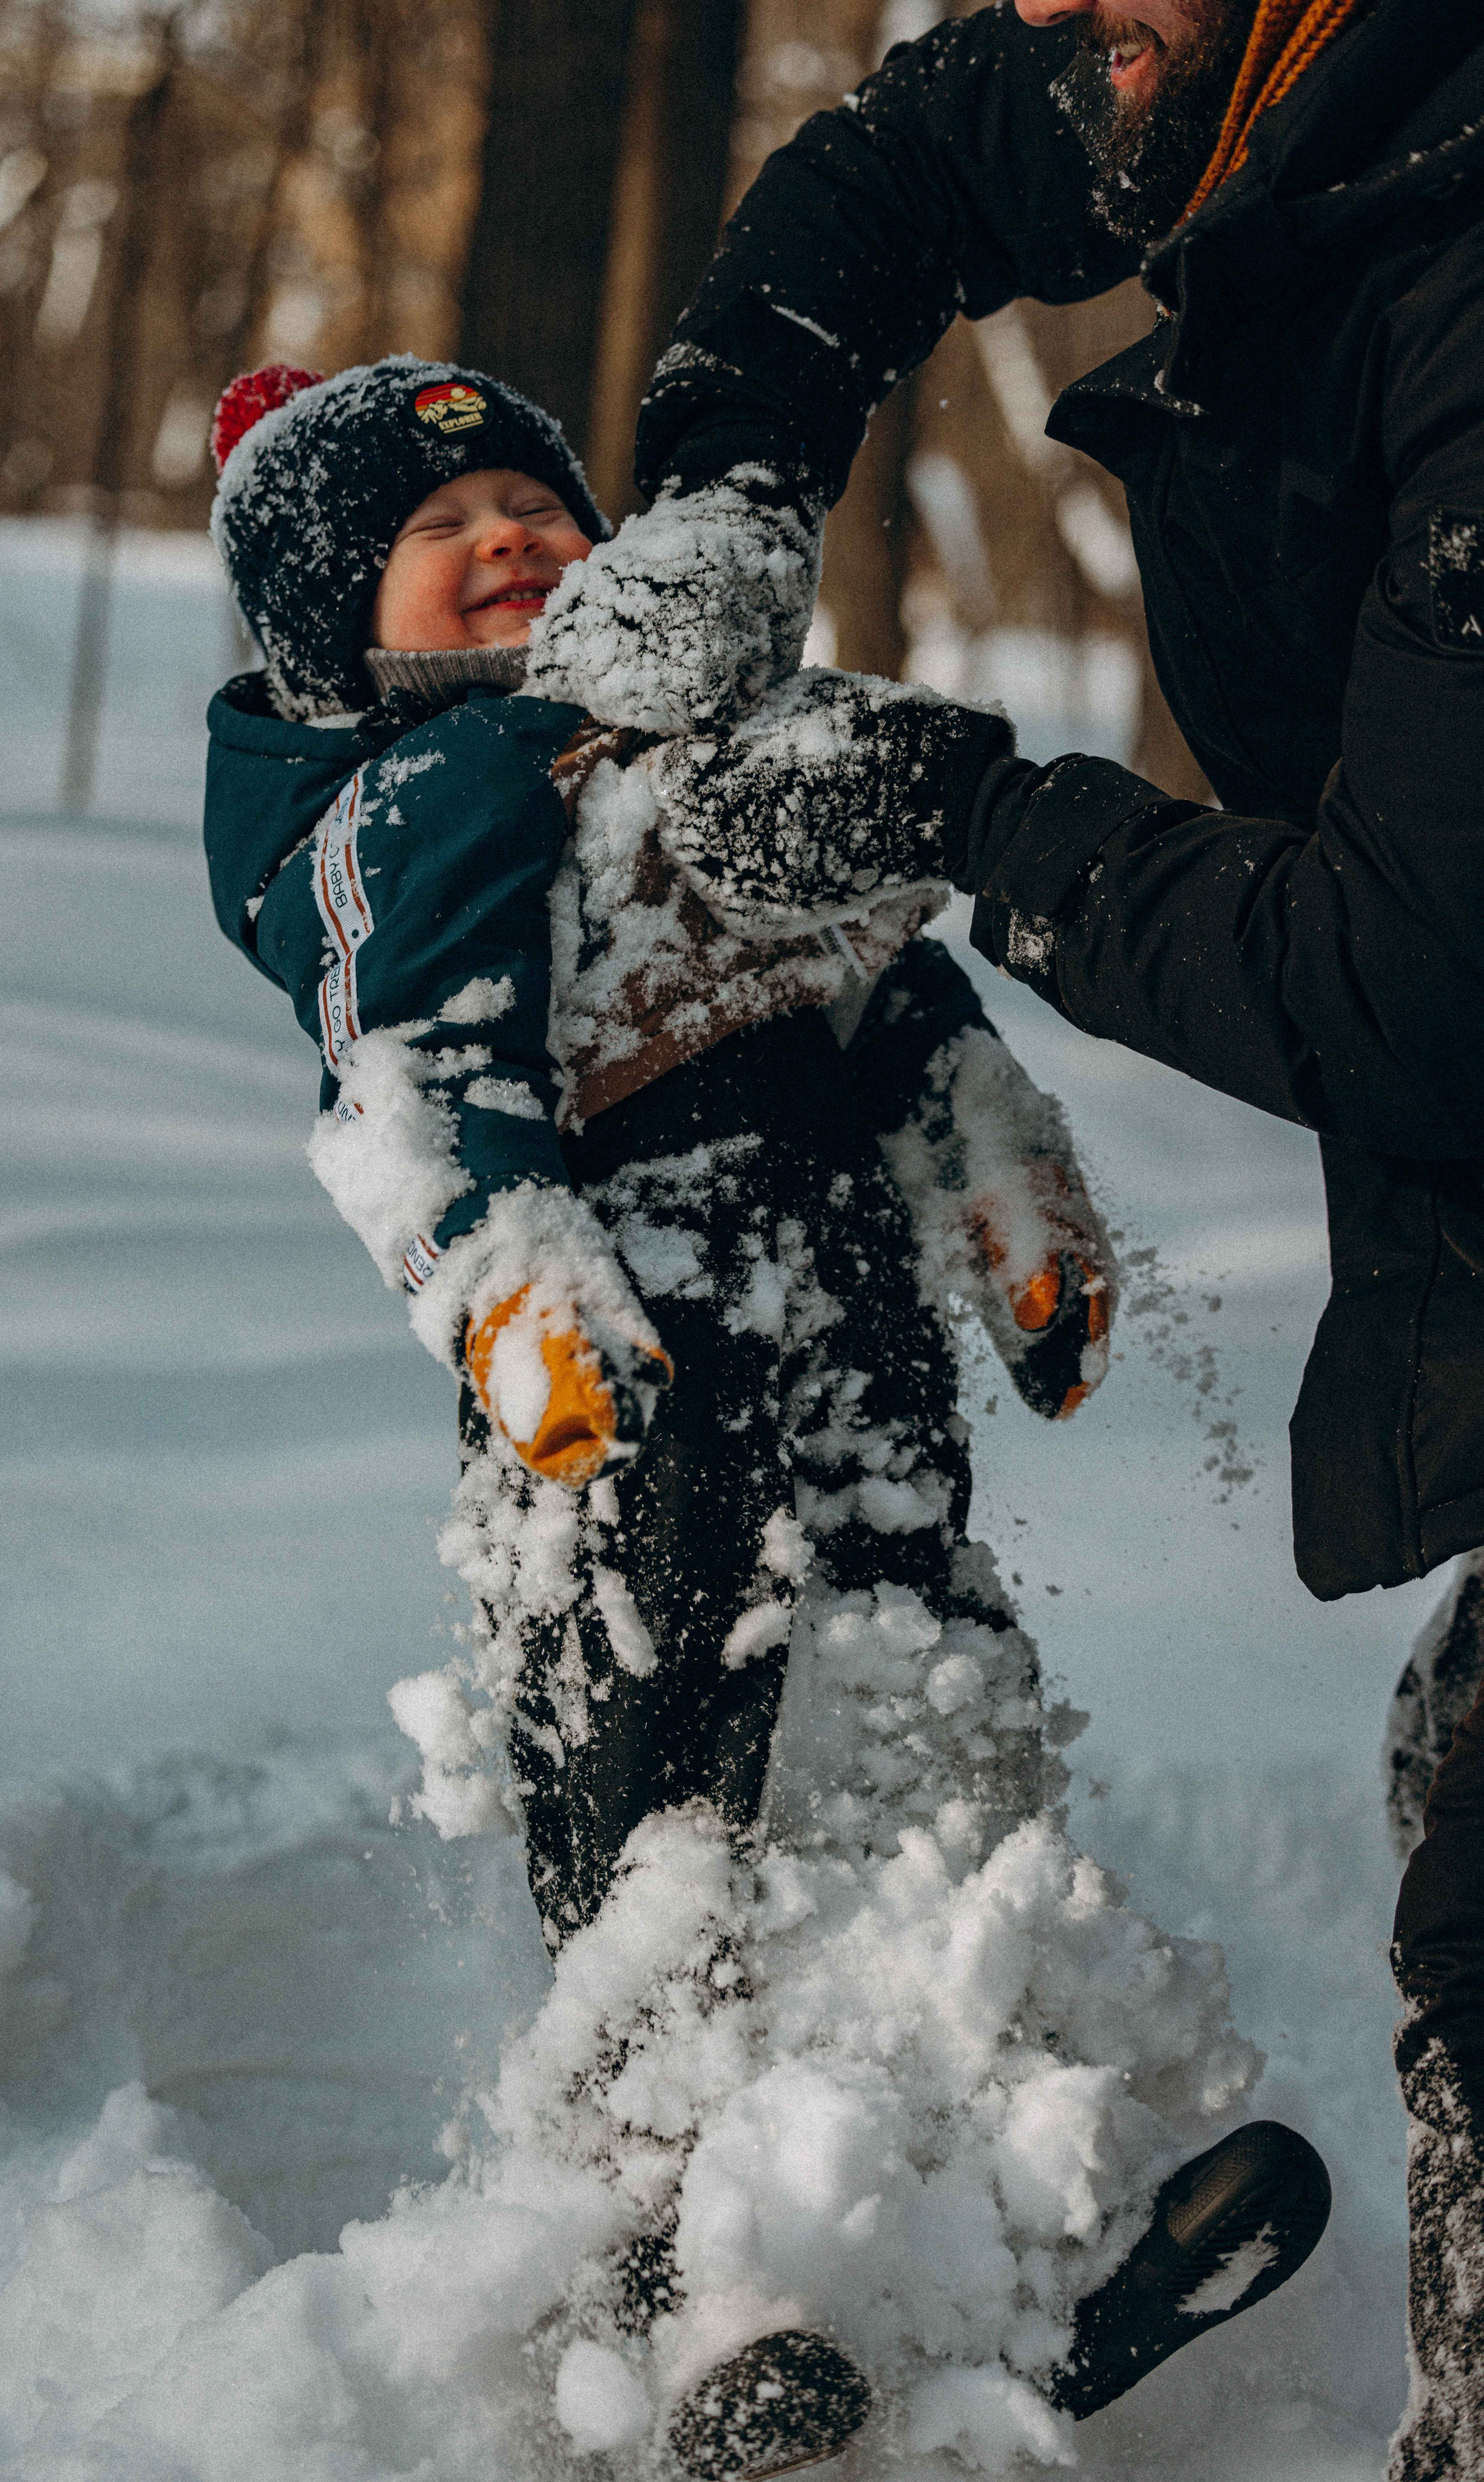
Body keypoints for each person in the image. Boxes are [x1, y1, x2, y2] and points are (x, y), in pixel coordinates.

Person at [202, 354, 1328, 2476]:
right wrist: (511, 1286)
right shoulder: (404, 806)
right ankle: (687, 2287)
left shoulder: (726, 755)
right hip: (625, 1420)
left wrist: (999, 1177)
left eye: (533, 501)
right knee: (674, 1837)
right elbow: (410, 1069)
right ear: (332, 637)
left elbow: (894, 992)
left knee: (932, 1743)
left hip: (863, 1365)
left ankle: (1001, 2232)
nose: (509, 538)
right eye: (436, 539)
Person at [521, 0, 1484, 2468]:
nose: (1042, 14)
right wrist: (729, 484)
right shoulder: (1260, 85)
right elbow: (905, 167)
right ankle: (756, 2233)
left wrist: (962, 812)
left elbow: (1413, 980)